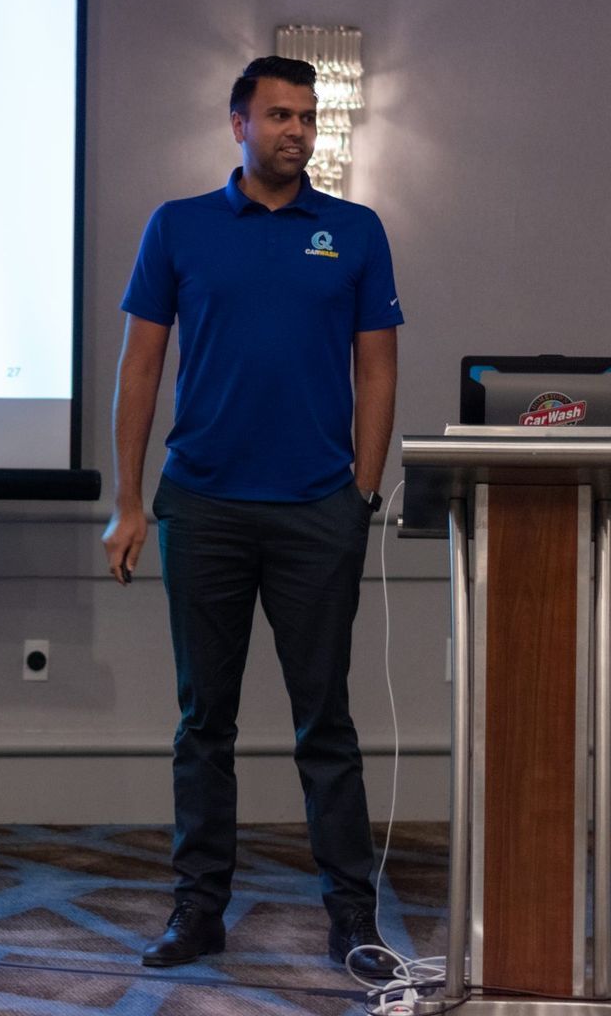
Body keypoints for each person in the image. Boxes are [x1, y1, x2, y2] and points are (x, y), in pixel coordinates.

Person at [101, 55, 402, 976]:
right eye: (278, 115)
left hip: (318, 510)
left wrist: (359, 494)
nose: (296, 132)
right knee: (204, 724)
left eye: (306, 117)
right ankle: (198, 912)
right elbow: (141, 367)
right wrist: (127, 503)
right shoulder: (180, 227)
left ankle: (353, 918)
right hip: (203, 507)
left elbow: (378, 368)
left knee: (327, 726)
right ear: (238, 124)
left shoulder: (353, 231)